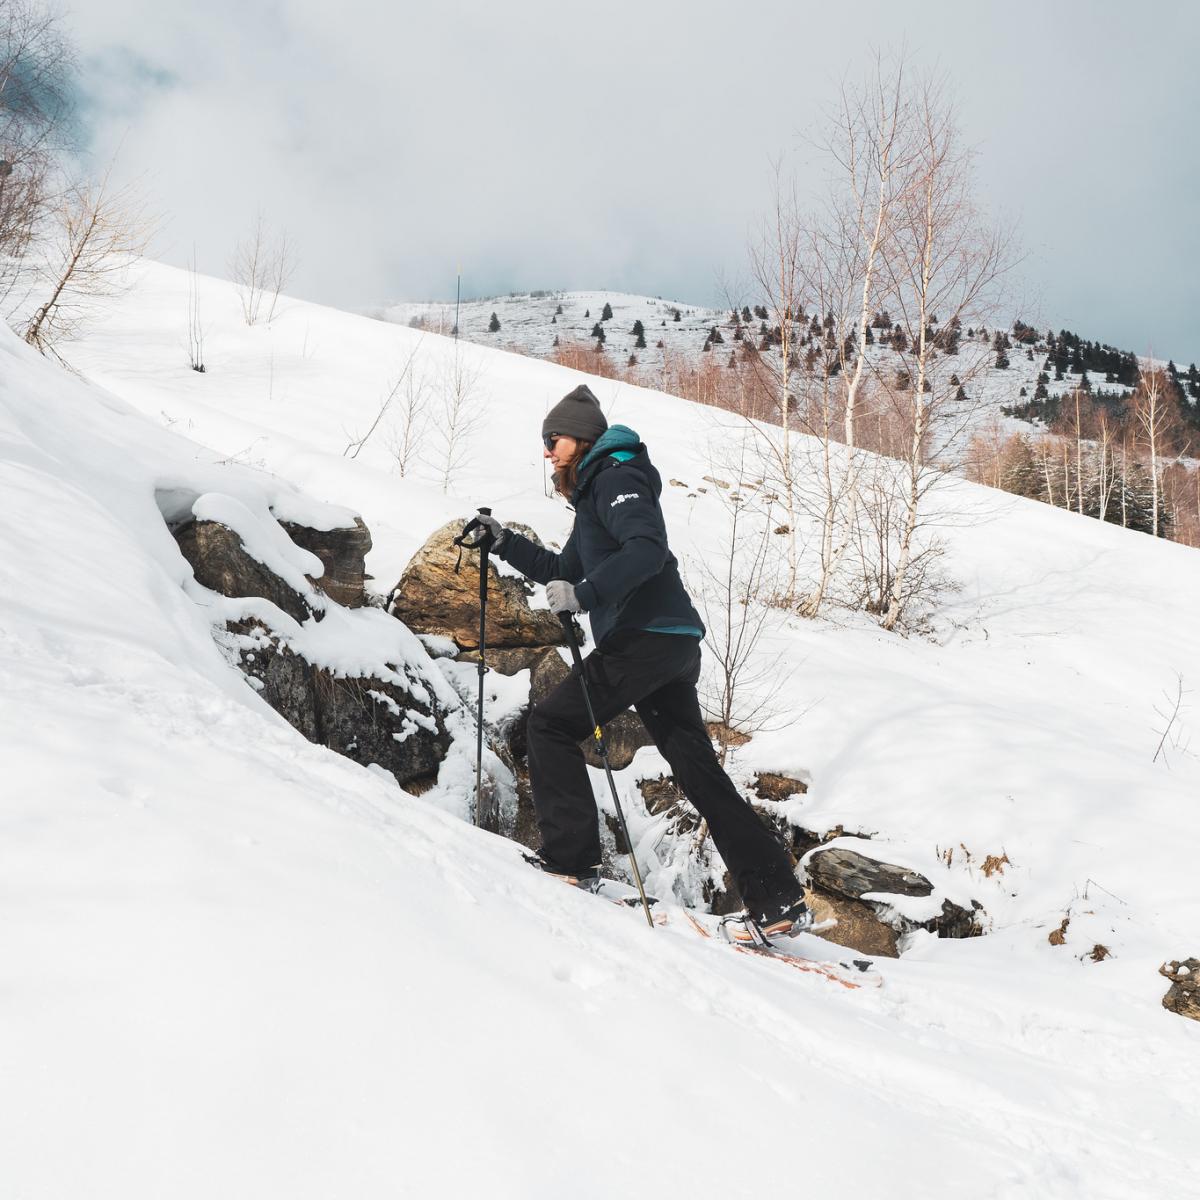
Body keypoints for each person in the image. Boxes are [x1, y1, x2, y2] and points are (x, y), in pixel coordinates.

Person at [479, 384, 809, 940]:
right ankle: (777, 899)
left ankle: (570, 861)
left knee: (551, 723)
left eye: (553, 440)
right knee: (697, 771)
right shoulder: (594, 493)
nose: (547, 452)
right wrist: (503, 541)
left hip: (644, 638)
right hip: (668, 644)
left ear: (580, 438)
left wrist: (583, 597)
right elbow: (563, 565)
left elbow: (645, 550)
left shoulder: (617, 476)